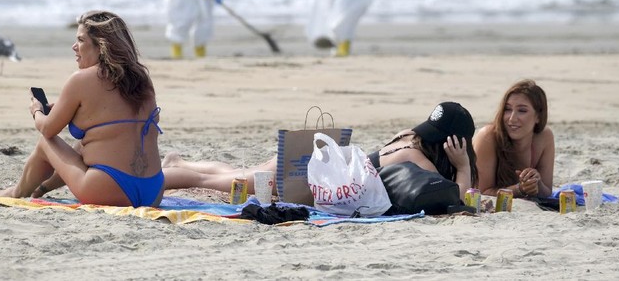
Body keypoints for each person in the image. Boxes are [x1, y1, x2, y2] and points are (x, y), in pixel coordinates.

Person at [0, 11, 166, 208]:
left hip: (109, 188)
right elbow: (112, 121)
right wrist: (63, 109)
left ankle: (16, 192)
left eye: (81, 40)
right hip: (153, 191)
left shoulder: (80, 79)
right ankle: (40, 189)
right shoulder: (142, 78)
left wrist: (37, 111)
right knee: (84, 146)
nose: (74, 47)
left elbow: (47, 129)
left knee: (46, 143)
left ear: (101, 46)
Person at [162, 102, 478, 202]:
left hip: (316, 163)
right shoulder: (418, 159)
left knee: (238, 173)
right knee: (216, 181)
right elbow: (453, 196)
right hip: (311, 177)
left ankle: (179, 162)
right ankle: (164, 177)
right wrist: (462, 166)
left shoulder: (407, 137)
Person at [473, 79, 555, 198]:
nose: (512, 118)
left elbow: (547, 191)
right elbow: (482, 192)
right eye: (507, 109)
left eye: (522, 110)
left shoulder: (544, 137)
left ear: (538, 116)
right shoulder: (488, 137)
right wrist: (520, 189)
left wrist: (536, 183)